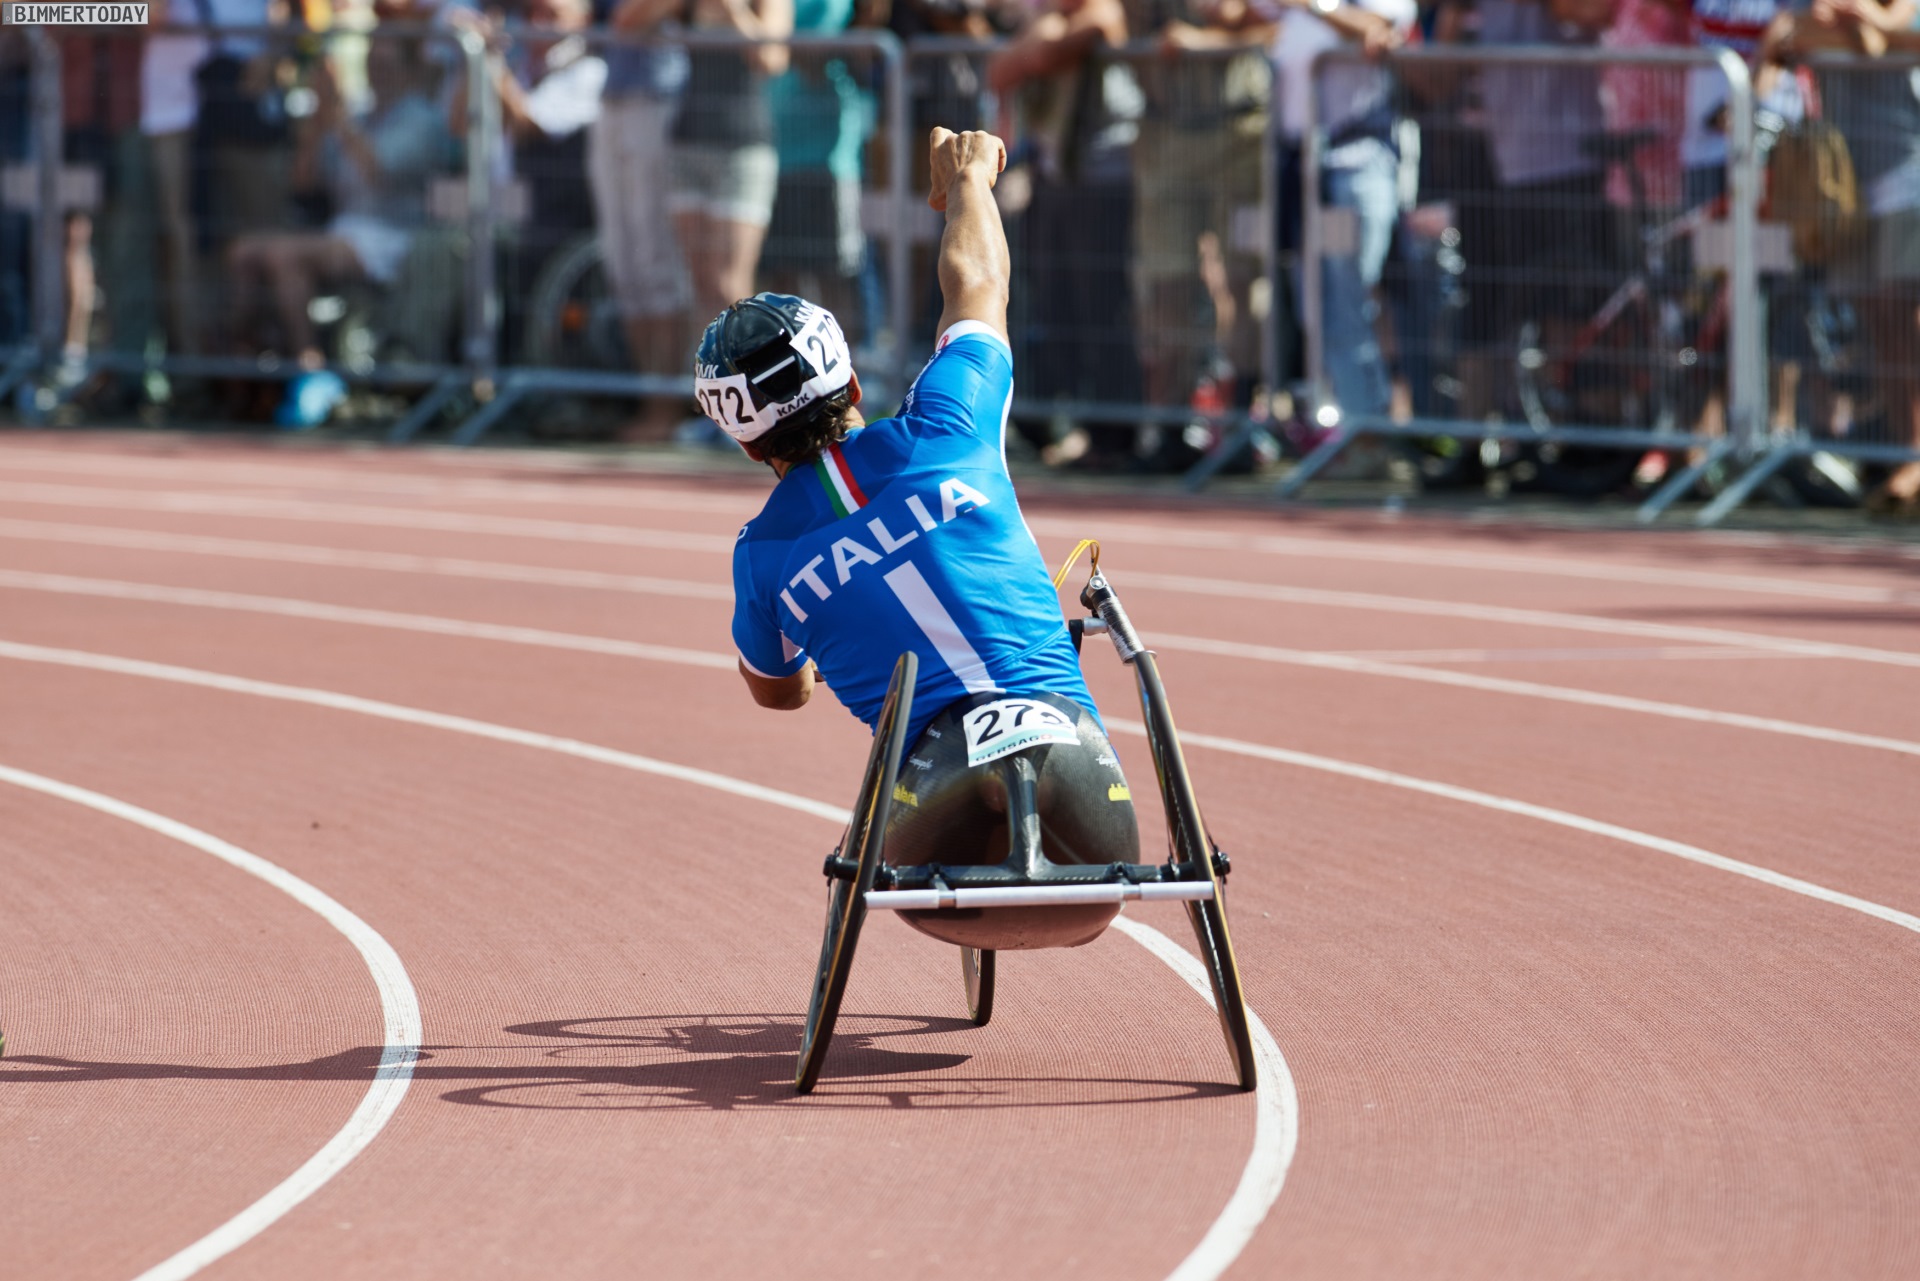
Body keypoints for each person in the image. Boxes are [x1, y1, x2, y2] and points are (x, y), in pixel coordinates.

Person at [710, 126, 1139, 877]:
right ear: (850, 381)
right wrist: (968, 179)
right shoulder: (950, 423)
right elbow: (978, 286)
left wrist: (814, 654)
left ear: (747, 443)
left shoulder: (762, 554)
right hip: (1085, 785)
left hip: (941, 823)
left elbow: (779, 692)